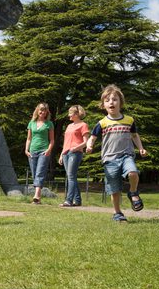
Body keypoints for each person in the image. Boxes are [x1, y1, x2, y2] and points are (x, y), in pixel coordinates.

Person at [86, 85, 147, 222]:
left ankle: (133, 192)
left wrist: (141, 148)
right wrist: (89, 146)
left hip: (127, 155)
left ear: (121, 102)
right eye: (107, 100)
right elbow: (93, 137)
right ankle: (117, 213)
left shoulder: (129, 120)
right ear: (103, 105)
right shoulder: (102, 123)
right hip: (109, 159)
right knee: (114, 188)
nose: (111, 102)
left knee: (133, 173)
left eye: (115, 99)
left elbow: (135, 136)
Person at [58, 105, 90, 207]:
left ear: (76, 114)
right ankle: (78, 200)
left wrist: (76, 148)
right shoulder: (69, 126)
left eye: (70, 113)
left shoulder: (83, 125)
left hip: (75, 153)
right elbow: (66, 141)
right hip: (66, 153)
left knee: (71, 176)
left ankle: (69, 200)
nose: (68, 115)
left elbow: (86, 142)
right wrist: (61, 154)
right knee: (71, 176)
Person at [25, 103, 54, 204]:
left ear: (47, 112)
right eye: (41, 110)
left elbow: (52, 140)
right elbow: (29, 139)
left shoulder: (49, 124)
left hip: (44, 151)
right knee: (34, 174)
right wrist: (26, 150)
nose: (42, 112)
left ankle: (36, 195)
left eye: (44, 110)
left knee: (40, 172)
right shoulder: (31, 123)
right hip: (32, 151)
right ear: (37, 111)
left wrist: (48, 150)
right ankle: (38, 199)